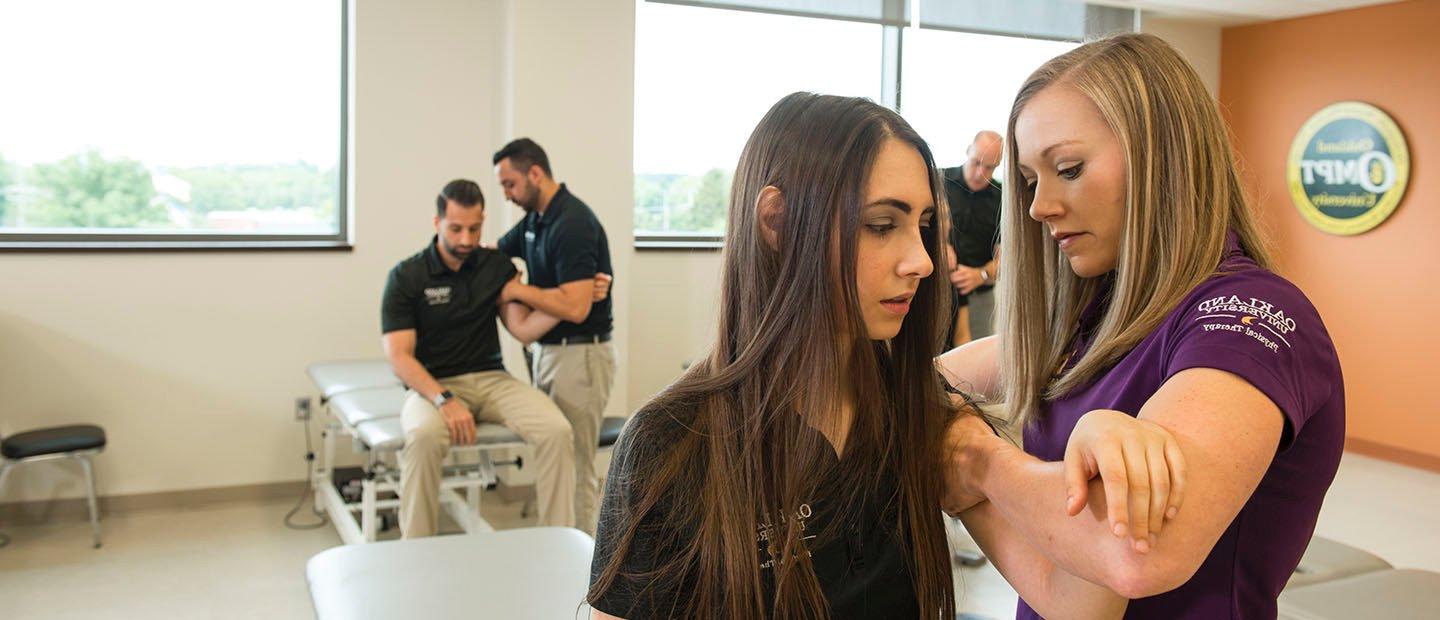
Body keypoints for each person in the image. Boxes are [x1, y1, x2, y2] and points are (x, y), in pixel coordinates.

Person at [587, 92, 1182, 620]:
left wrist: (1105, 437)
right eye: (881, 225)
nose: (921, 261)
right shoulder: (672, 446)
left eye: (923, 226)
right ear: (777, 222)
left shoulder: (919, 411)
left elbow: (1079, 604)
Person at [939, 33, 1345, 618]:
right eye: (1030, 180)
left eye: (1069, 168)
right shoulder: (1096, 315)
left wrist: (975, 461)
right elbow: (928, 382)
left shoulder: (1249, 317)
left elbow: (1134, 557)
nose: (1038, 206)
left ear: (1164, 156)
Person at [381, 179, 608, 537]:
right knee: (423, 436)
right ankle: (416, 547)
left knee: (556, 430)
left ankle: (556, 541)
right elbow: (399, 357)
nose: (466, 239)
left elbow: (523, 329)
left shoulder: (493, 266)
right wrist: (444, 400)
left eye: (474, 228)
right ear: (437, 222)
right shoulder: (407, 276)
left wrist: (578, 301)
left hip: (492, 380)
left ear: (483, 220)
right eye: (456, 229)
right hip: (433, 386)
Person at [494, 138, 617, 536]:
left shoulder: (573, 223)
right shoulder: (535, 221)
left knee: (578, 466)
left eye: (509, 184)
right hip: (549, 354)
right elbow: (494, 257)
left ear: (535, 173)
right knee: (557, 459)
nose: (507, 195)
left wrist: (518, 291)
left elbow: (578, 308)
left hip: (579, 359)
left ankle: (584, 575)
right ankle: (556, 548)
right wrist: (549, 296)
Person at [942, 130, 1003, 347]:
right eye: (977, 162)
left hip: (980, 296)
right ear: (968, 151)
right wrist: (941, 247)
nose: (980, 174)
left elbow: (1010, 258)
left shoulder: (1003, 197)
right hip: (939, 291)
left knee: (975, 364)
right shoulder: (939, 180)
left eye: (989, 167)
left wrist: (982, 274)